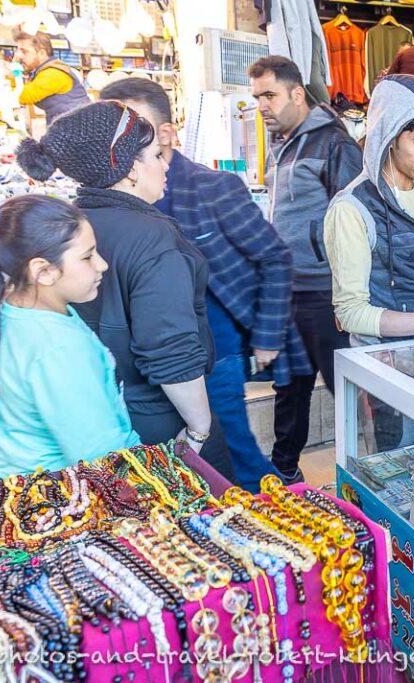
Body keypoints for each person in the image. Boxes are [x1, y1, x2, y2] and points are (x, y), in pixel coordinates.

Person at [99, 76, 312, 492]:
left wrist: (268, 336)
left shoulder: (213, 188)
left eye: (131, 124)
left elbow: (273, 256)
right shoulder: (111, 200)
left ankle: (285, 526)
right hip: (146, 364)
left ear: (164, 133)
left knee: (234, 456)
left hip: (217, 353)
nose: (120, 137)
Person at [16, 100, 234, 481]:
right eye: (155, 155)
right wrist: (199, 429)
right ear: (131, 168)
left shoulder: (74, 223)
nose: (165, 164)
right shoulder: (152, 237)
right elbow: (169, 348)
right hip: (162, 419)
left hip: (104, 414)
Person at [0, 195, 140, 479]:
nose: (102, 265)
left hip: (15, 487)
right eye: (88, 257)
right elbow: (99, 456)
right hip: (55, 497)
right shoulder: (58, 347)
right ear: (43, 271)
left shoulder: (11, 310)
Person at [246, 56, 363, 484]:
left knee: (347, 393)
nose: (262, 105)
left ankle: (368, 480)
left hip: (326, 295)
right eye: (257, 96)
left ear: (297, 93)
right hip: (288, 294)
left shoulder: (334, 144)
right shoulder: (282, 144)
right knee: (289, 390)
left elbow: (356, 217)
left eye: (269, 95)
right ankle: (284, 474)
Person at [325, 74, 414, 449]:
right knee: (397, 467)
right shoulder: (351, 209)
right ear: (388, 136)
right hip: (389, 372)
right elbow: (350, 312)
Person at [14, 31, 90, 126]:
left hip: (78, 130)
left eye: (24, 51)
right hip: (70, 128)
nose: (19, 56)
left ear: (41, 53)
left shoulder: (53, 74)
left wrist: (15, 70)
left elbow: (22, 97)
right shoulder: (44, 71)